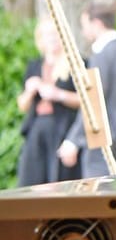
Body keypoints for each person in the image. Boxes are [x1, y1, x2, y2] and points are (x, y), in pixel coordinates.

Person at [58, 4, 116, 177]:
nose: (84, 32)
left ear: (97, 23)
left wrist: (72, 140)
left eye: (85, 25)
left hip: (104, 136)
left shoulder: (102, 53)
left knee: (99, 192)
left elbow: (94, 100)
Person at [17, 17, 82, 185]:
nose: (52, 39)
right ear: (41, 39)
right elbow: (22, 105)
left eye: (55, 34)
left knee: (59, 178)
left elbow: (84, 101)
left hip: (62, 128)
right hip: (37, 127)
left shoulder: (74, 64)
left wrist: (58, 94)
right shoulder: (34, 65)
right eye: (47, 35)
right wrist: (30, 91)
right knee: (31, 177)